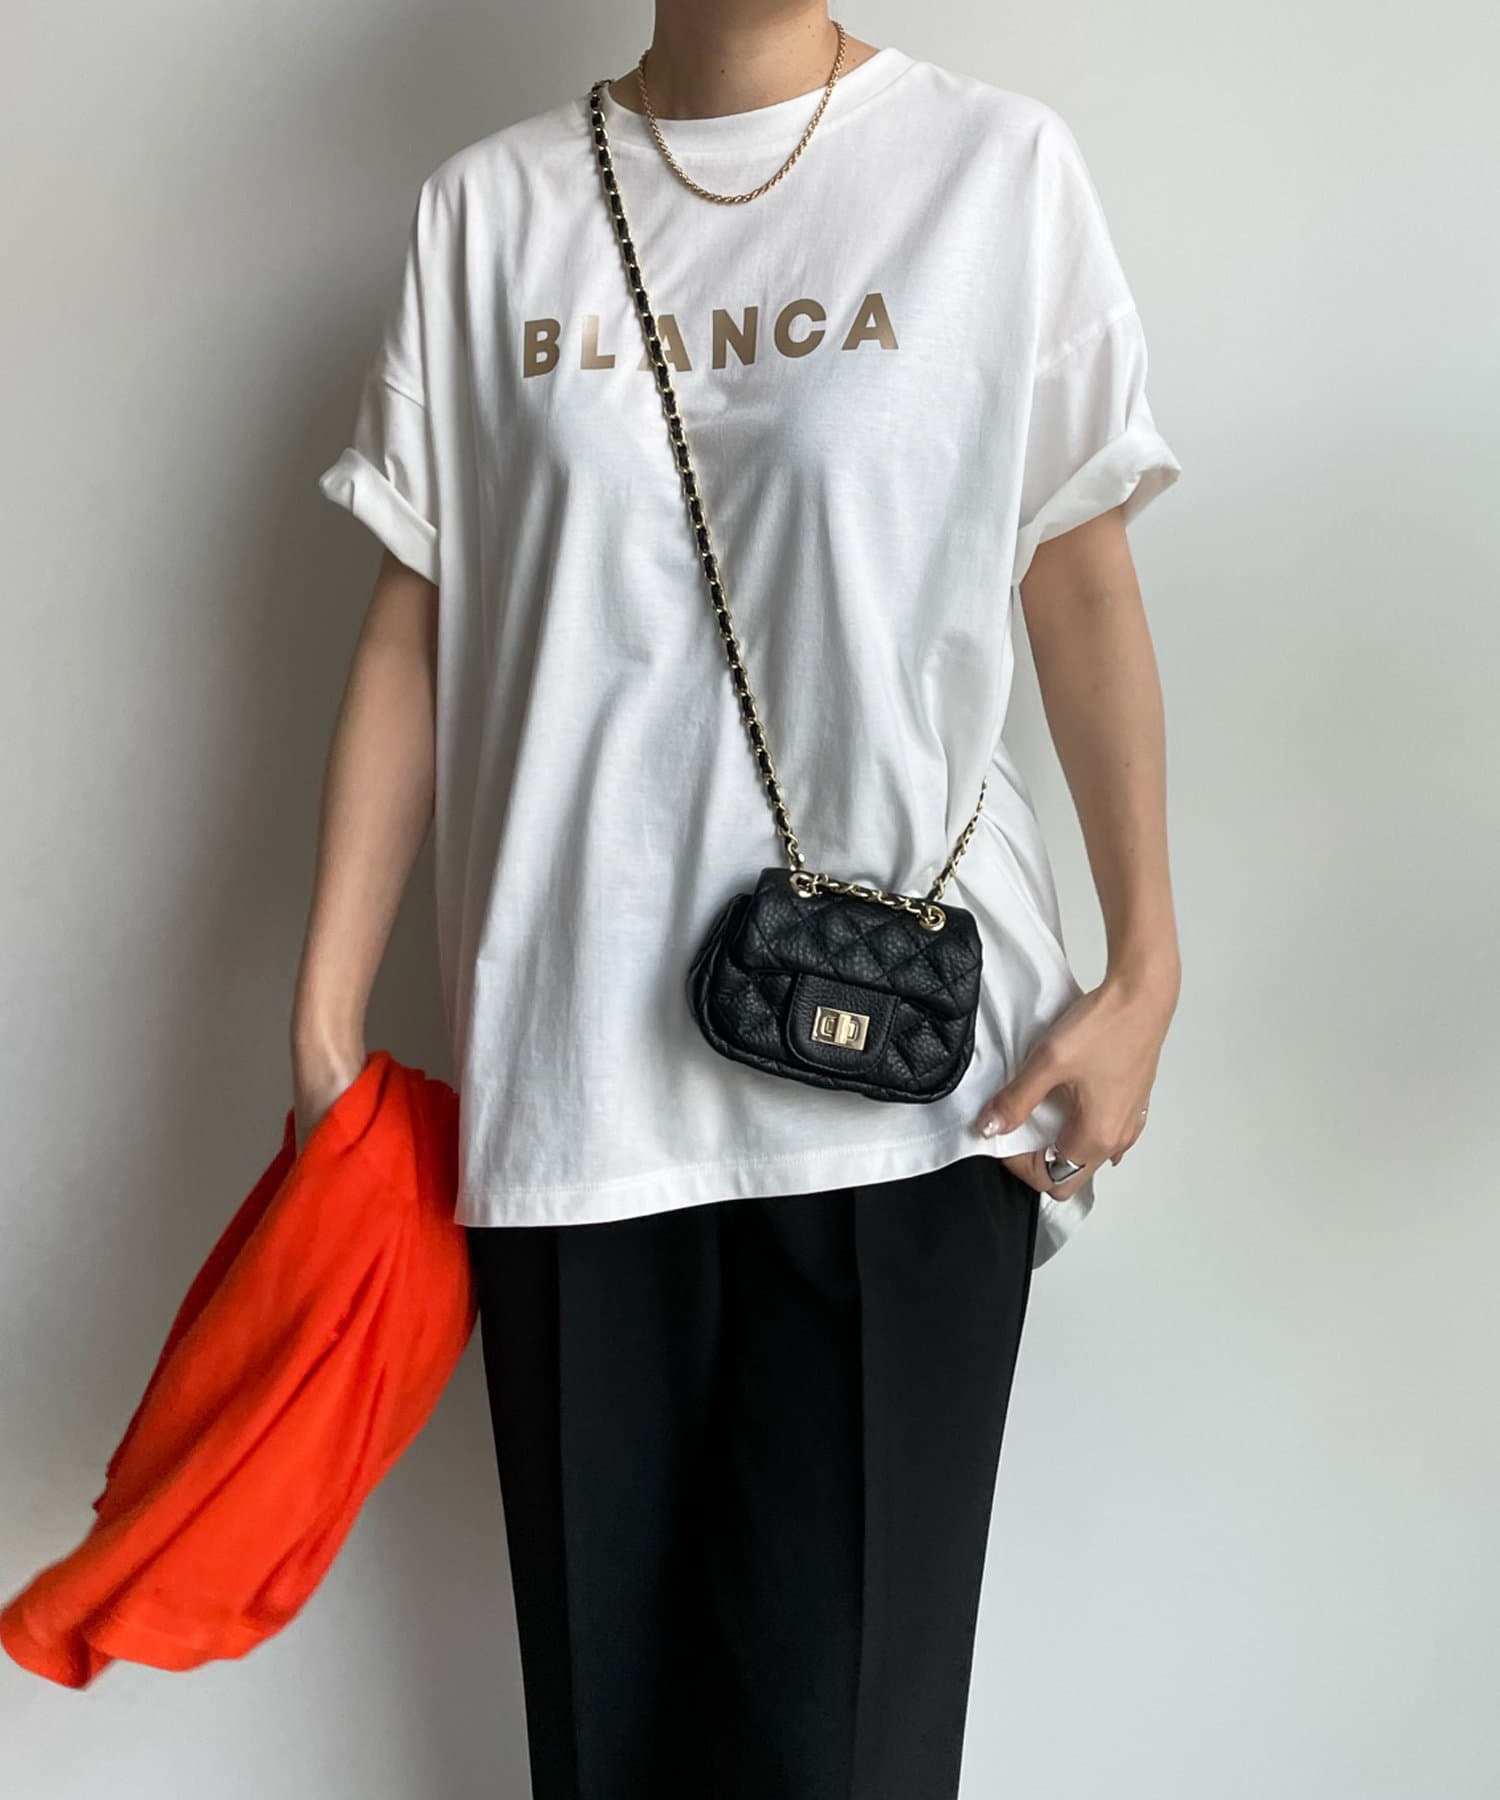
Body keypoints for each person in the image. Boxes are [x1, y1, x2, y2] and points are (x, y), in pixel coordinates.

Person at [297, 6, 1183, 1797]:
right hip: (570, 1093)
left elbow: (1076, 573)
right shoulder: (490, 213)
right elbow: (418, 619)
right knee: (605, 1754)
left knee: (846, 1759)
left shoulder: (991, 172)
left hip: (913, 1100)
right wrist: (320, 1023)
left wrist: (1146, 962)